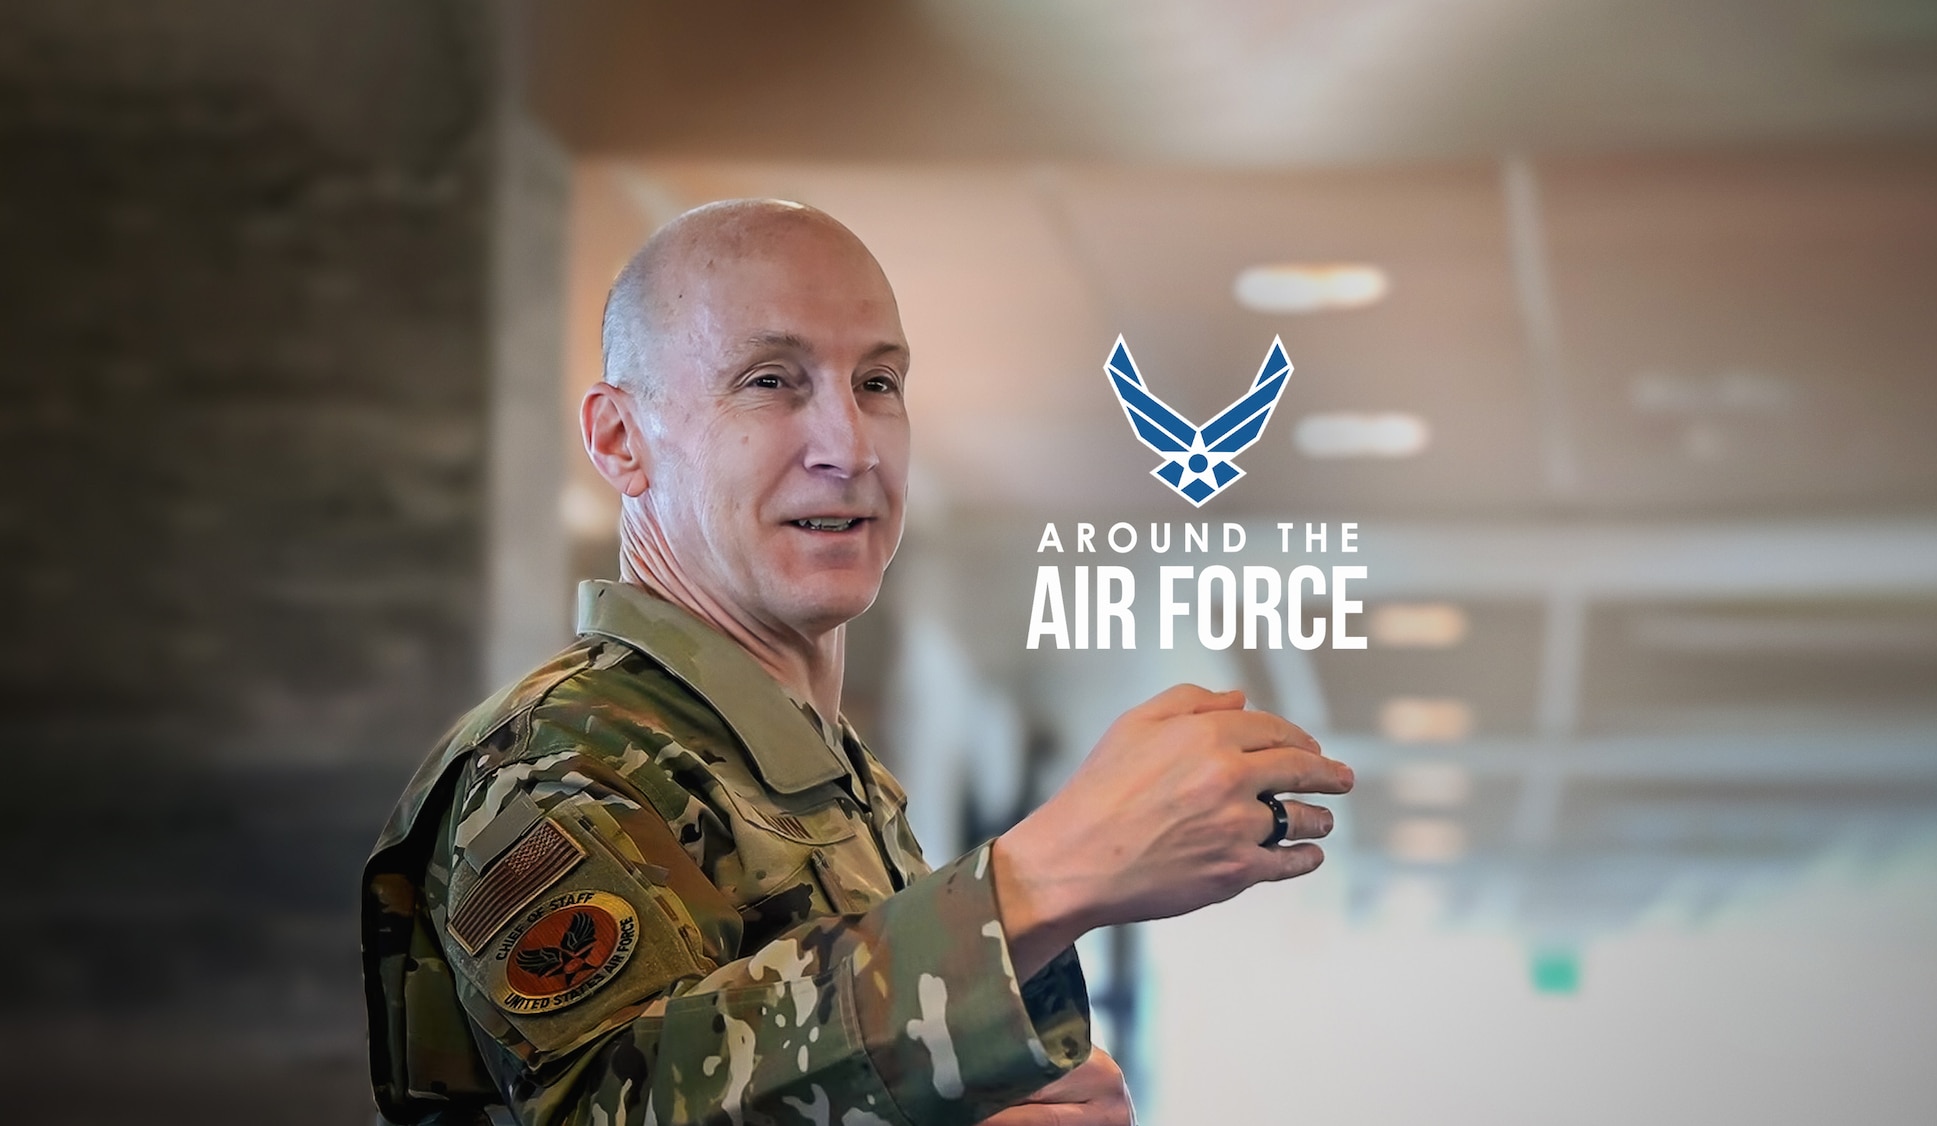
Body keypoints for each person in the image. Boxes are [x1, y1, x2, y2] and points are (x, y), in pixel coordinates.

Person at [362, 199, 1354, 1126]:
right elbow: (613, 1105)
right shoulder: (555, 758)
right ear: (621, 440)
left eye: (877, 384)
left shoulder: (831, 781)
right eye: (770, 381)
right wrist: (1046, 877)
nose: (849, 446)